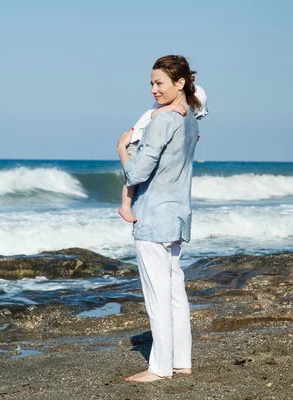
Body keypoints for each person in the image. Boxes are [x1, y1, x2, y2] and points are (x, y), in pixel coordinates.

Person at [117, 55, 200, 382]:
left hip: (153, 218)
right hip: (177, 216)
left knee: (158, 296)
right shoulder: (190, 118)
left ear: (179, 83)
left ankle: (160, 368)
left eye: (159, 83)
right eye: (152, 83)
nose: (153, 89)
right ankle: (182, 361)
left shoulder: (163, 121)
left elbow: (136, 171)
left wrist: (122, 148)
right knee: (175, 292)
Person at [118, 84, 208, 223]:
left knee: (139, 179)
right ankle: (125, 206)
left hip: (145, 143)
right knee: (132, 179)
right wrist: (172, 108)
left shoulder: (171, 110)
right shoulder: (161, 108)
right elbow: (155, 115)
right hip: (136, 142)